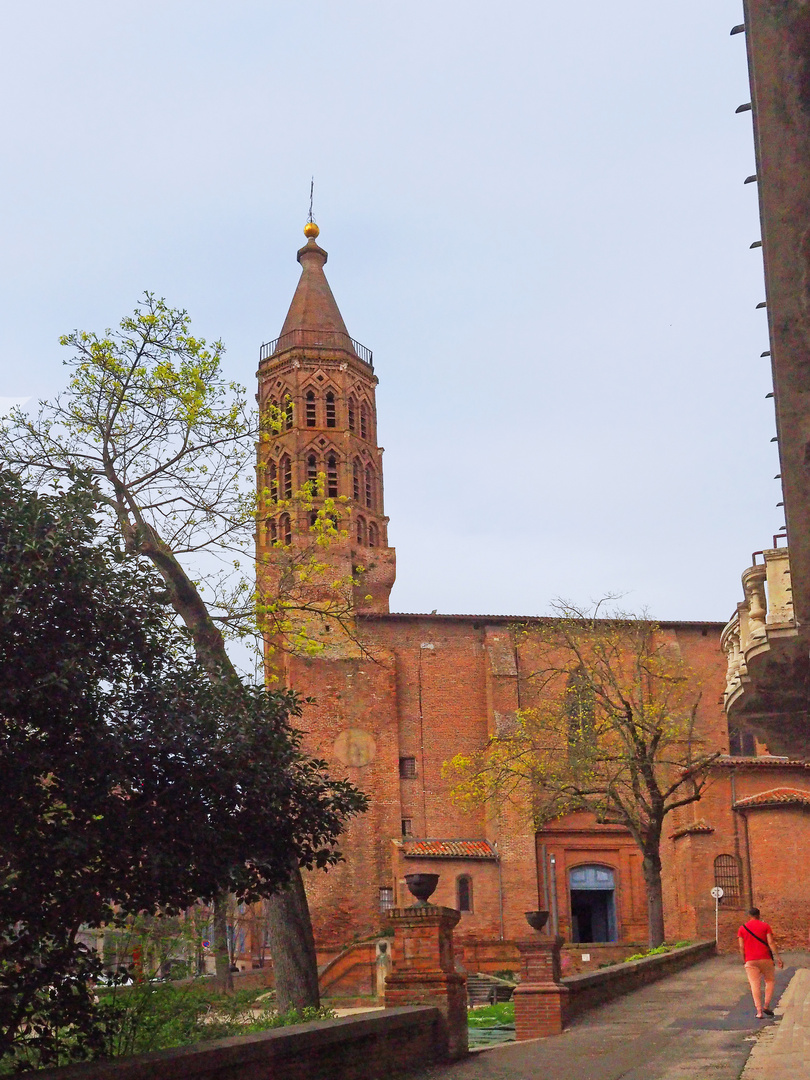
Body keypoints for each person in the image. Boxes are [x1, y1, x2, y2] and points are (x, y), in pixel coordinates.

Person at [738, 907, 784, 1019]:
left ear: (749, 915)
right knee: (770, 981)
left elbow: (741, 946)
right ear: (759, 915)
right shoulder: (765, 926)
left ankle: (759, 1011)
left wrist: (744, 959)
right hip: (766, 958)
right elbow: (771, 943)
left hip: (750, 960)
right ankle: (766, 1005)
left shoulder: (742, 928)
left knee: (755, 984)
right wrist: (778, 958)